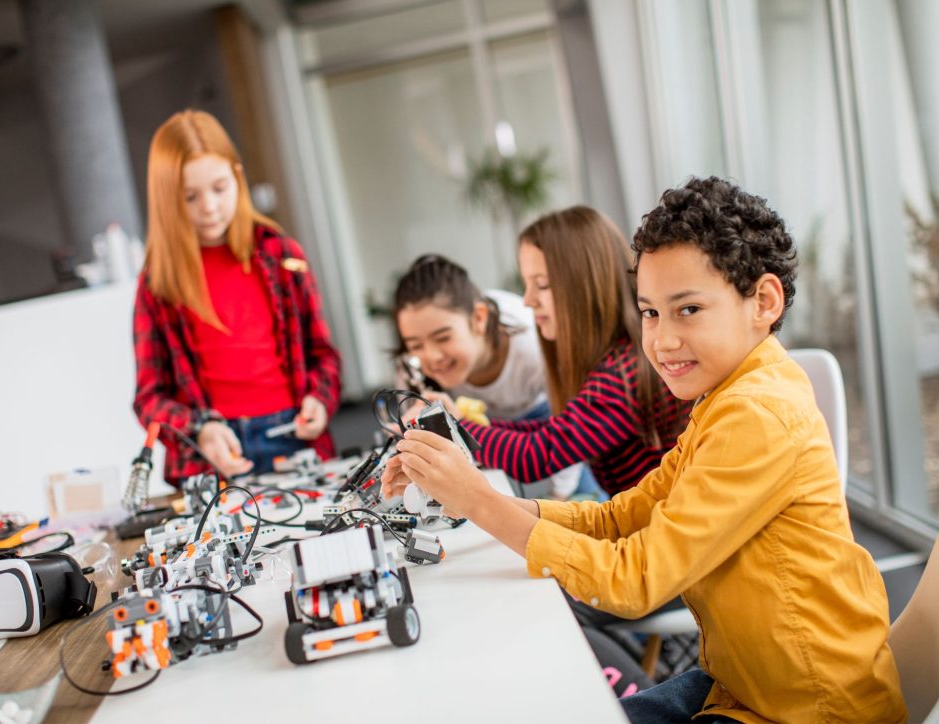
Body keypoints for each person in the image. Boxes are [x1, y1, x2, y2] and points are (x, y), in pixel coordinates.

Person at [382, 178, 906, 722]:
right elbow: (621, 517)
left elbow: (635, 579)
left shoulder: (757, 413)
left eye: (688, 310)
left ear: (764, 301)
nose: (660, 340)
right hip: (744, 682)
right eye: (651, 313)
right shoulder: (723, 399)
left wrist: (478, 499)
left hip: (806, 709)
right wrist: (466, 498)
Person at [133, 109, 341, 485]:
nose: (209, 207)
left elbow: (323, 356)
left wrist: (320, 400)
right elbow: (149, 399)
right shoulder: (157, 283)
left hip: (297, 441)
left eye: (219, 188)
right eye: (189, 197)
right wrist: (198, 429)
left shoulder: (283, 255)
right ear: (166, 200)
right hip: (211, 459)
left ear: (238, 177)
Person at [428, 207, 688, 499]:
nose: (527, 300)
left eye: (542, 285)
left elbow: (538, 454)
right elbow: (552, 430)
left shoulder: (621, 374)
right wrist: (459, 419)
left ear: (585, 285)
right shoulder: (615, 359)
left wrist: (458, 429)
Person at [393, 254, 548, 422]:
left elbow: (566, 437)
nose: (432, 357)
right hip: (466, 419)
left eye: (443, 338)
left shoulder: (535, 345)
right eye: (415, 345)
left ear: (478, 319)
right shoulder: (412, 369)